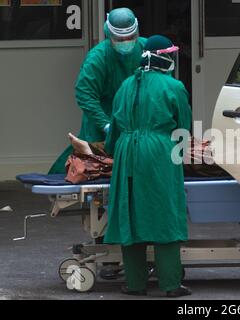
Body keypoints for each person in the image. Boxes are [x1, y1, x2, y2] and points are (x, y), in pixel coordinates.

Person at [97, 35, 192, 297]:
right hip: (160, 151)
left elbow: (113, 134)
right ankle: (171, 285)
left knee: (131, 214)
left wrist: (117, 150)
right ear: (164, 57)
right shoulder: (174, 87)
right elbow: (182, 129)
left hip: (127, 152)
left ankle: (136, 284)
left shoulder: (126, 86)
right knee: (164, 213)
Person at [49, 7, 147, 174]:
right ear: (109, 34)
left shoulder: (146, 49)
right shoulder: (98, 58)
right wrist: (107, 125)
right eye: (119, 39)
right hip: (102, 119)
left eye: (129, 38)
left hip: (137, 118)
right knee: (94, 162)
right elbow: (85, 94)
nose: (125, 42)